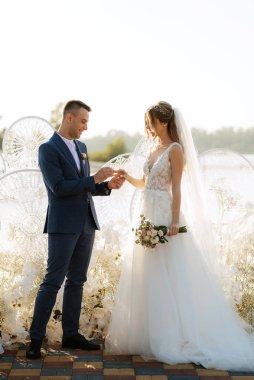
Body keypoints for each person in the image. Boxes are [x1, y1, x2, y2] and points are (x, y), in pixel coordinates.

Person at [105, 101, 254, 370]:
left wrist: (174, 222)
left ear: (163, 121)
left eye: (150, 122)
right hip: (146, 214)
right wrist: (128, 177)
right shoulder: (153, 150)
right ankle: (149, 334)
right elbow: (145, 185)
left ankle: (175, 334)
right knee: (148, 273)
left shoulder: (175, 150)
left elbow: (176, 189)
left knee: (170, 273)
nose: (148, 127)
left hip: (164, 216)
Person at [26, 100, 124, 359]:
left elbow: (83, 187)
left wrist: (106, 186)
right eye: (82, 121)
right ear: (69, 118)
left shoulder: (82, 147)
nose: (85, 127)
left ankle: (71, 334)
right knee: (52, 281)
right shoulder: (47, 149)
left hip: (86, 223)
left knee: (77, 281)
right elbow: (58, 187)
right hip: (62, 225)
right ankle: (35, 340)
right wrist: (94, 179)